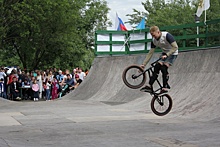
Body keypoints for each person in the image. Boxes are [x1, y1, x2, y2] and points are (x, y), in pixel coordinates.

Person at [140, 26, 178, 93]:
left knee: (164, 68)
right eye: (152, 35)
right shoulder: (154, 40)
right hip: (164, 53)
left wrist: (167, 55)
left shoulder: (167, 36)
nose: (153, 37)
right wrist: (144, 64)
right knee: (157, 66)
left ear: (158, 32)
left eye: (154, 35)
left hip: (172, 53)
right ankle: (149, 85)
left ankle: (165, 87)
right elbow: (150, 53)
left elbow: (175, 47)